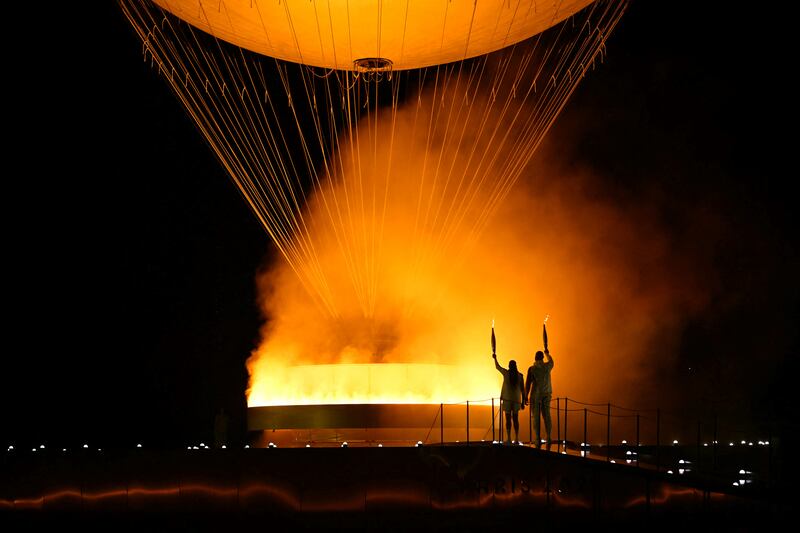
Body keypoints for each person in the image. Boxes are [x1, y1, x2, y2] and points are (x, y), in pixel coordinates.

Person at [493, 353, 525, 444]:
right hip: (516, 400)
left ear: (509, 366)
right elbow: (523, 390)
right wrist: (523, 402)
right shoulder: (520, 376)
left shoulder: (506, 373)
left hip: (507, 399)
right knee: (515, 419)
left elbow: (497, 367)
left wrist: (495, 358)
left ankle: (509, 438)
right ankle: (516, 438)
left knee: (508, 419)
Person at [526, 349, 554, 449]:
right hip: (547, 393)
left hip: (536, 395)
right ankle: (549, 437)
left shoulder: (532, 369)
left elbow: (528, 383)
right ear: (542, 357)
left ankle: (537, 438)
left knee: (536, 417)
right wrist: (547, 353)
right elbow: (552, 361)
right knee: (547, 416)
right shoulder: (547, 366)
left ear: (535, 358)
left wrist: (525, 395)